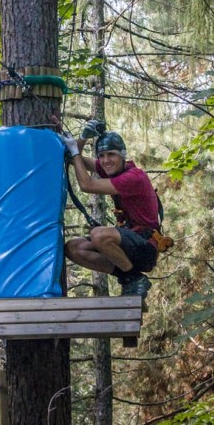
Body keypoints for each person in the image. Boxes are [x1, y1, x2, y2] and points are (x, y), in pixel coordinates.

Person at [62, 121, 164, 299]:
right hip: (128, 244)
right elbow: (73, 159)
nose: (105, 160)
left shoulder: (134, 177)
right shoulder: (114, 170)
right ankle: (127, 276)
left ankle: (134, 278)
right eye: (101, 156)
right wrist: (83, 138)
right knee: (73, 248)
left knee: (100, 235)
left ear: (122, 156)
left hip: (145, 247)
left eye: (111, 155)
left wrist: (77, 151)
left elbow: (87, 184)